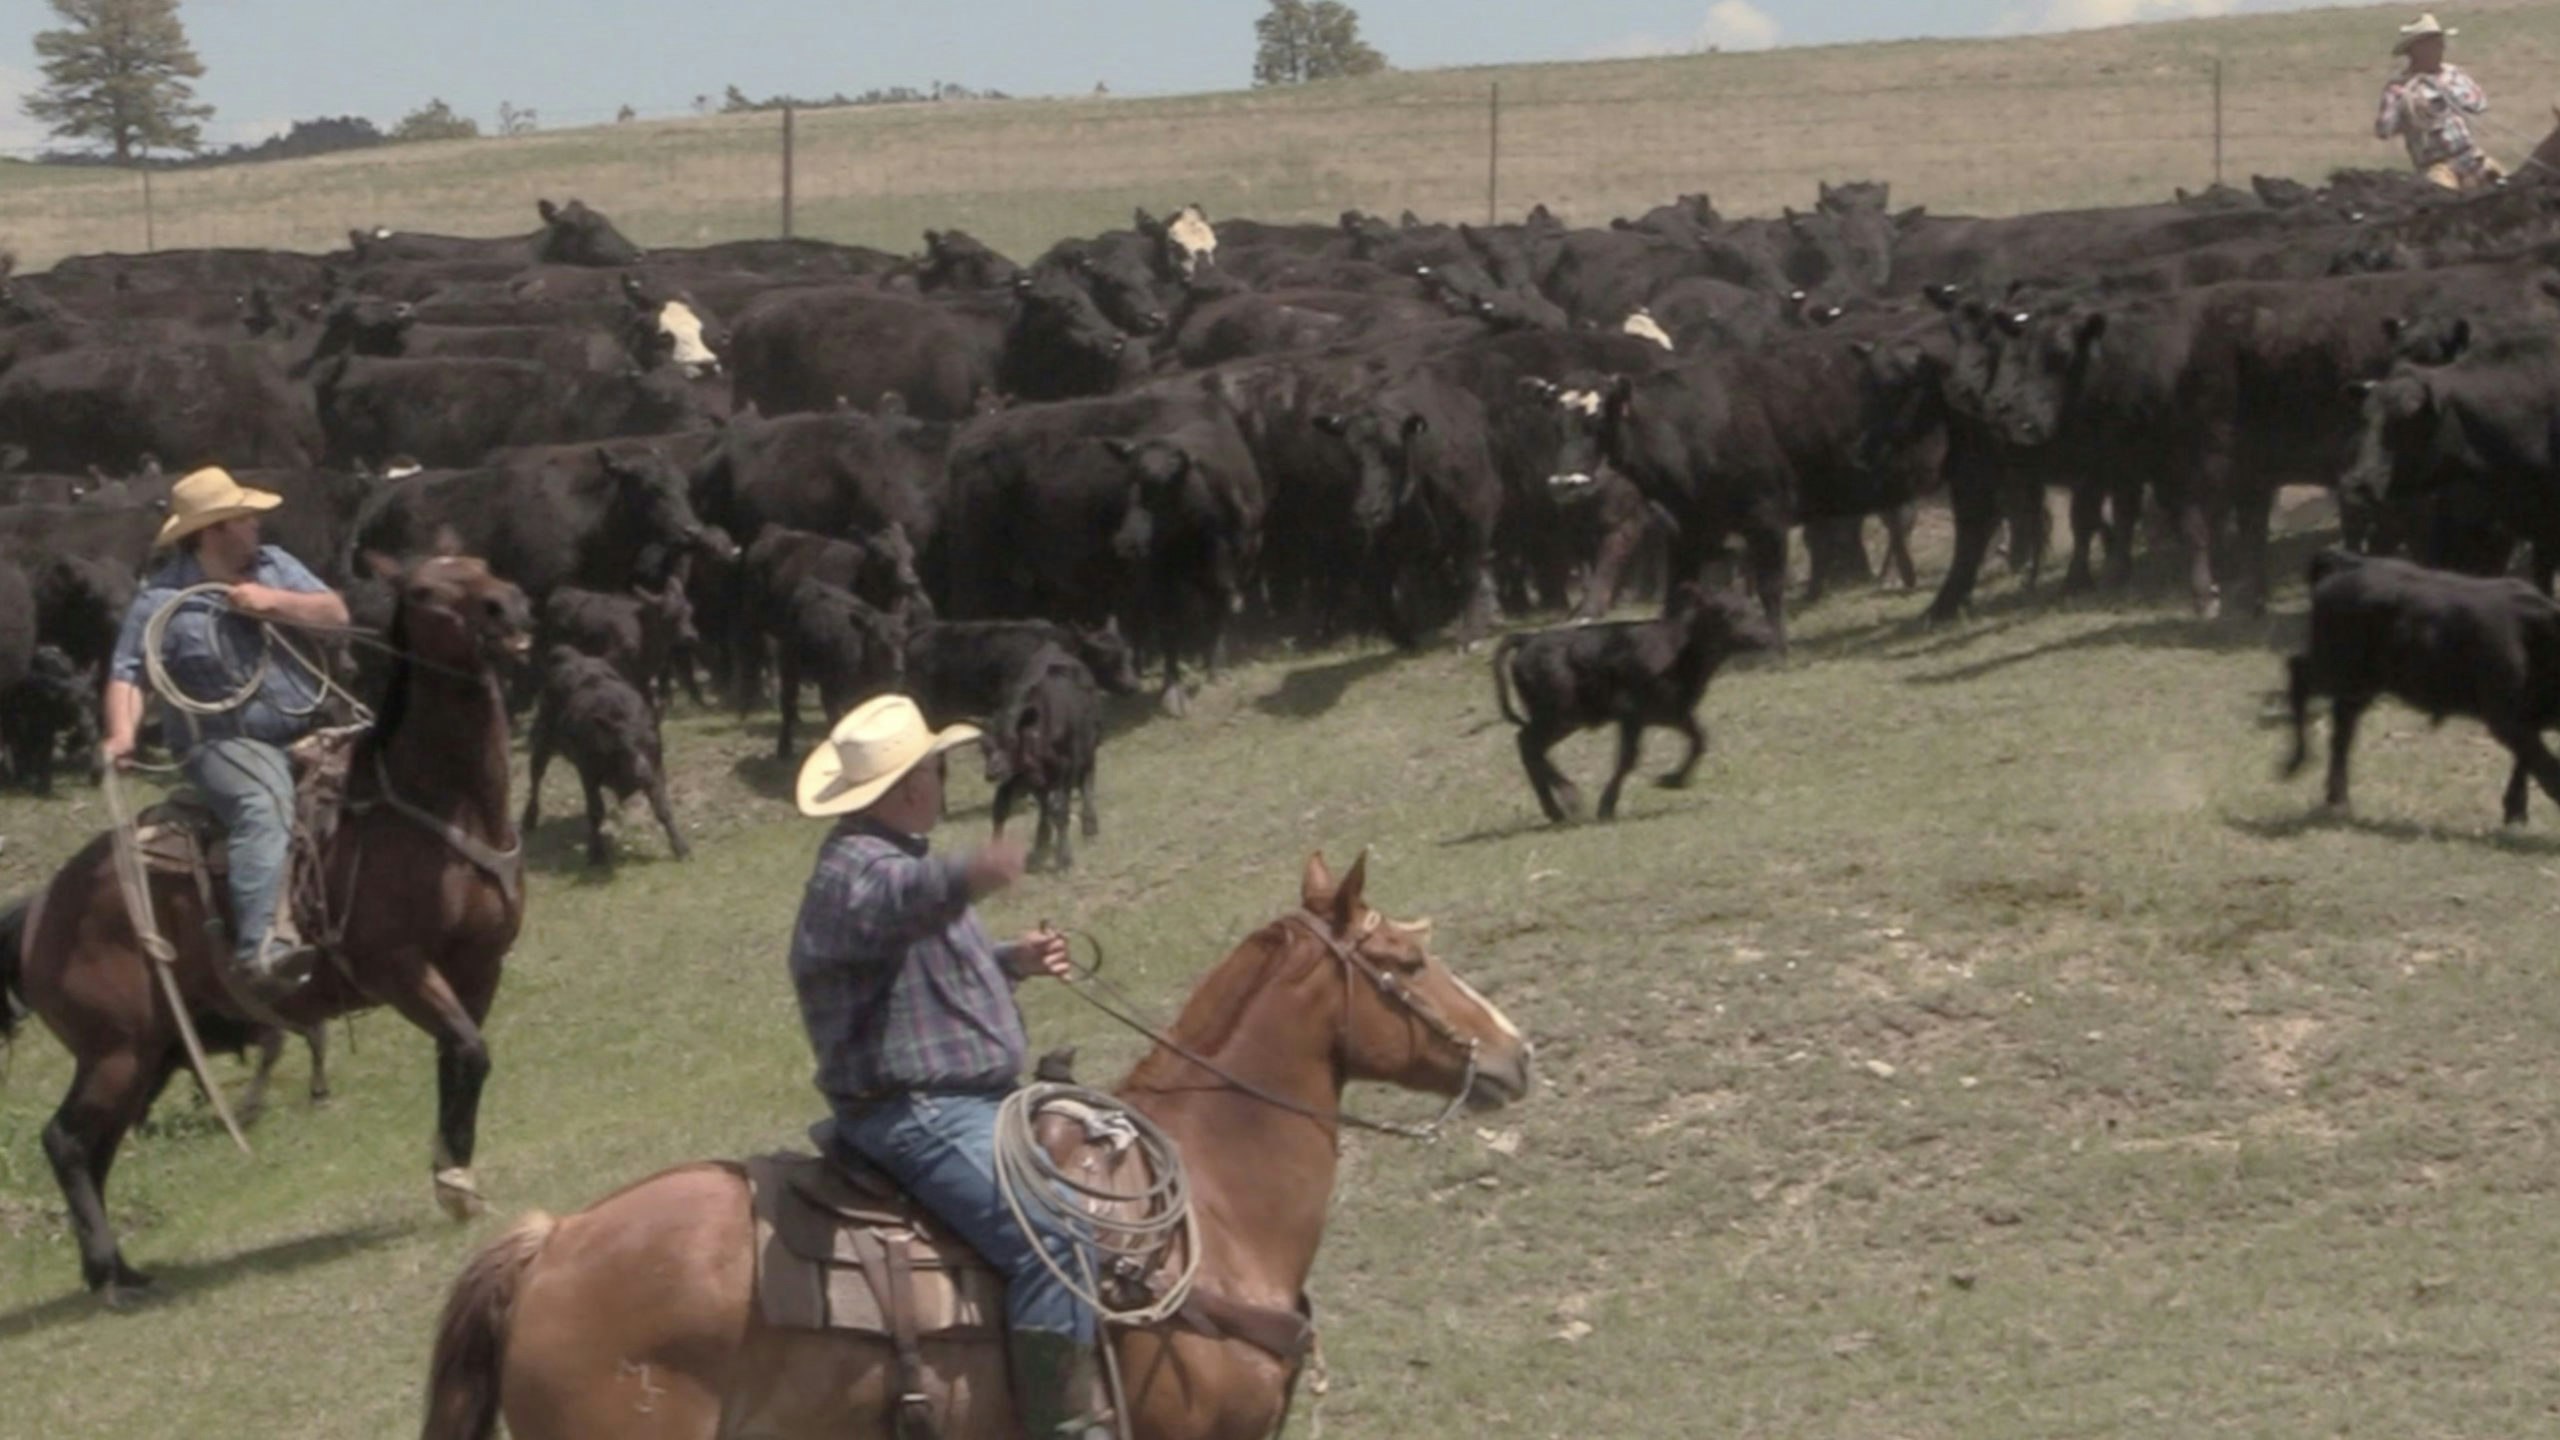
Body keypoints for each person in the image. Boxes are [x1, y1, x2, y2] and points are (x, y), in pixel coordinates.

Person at [787, 693, 1110, 1440]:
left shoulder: (895, 860)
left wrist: (1009, 961)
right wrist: (970, 873)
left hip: (953, 1102)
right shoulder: (857, 873)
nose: (946, 780)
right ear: (909, 785)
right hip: (915, 1111)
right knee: (1056, 1242)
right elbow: (901, 906)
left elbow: (915, 964)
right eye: (939, 767)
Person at [103, 467, 349, 986]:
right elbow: (129, 672)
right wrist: (122, 735)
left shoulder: (276, 567)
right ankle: (261, 945)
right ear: (214, 530)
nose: (256, 524)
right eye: (244, 517)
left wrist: (275, 602)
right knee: (264, 802)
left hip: (310, 722)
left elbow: (335, 614)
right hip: (222, 742)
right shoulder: (161, 600)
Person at [2375, 13, 2503, 191]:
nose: (2440, 47)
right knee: (2442, 198)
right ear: (2415, 49)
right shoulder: (2398, 87)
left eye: (2439, 42)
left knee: (2507, 188)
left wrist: (2452, 95)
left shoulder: (2454, 73)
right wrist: (2405, 105)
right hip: (2437, 166)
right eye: (2433, 43)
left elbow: (2480, 103)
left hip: (2472, 157)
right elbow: (2383, 130)